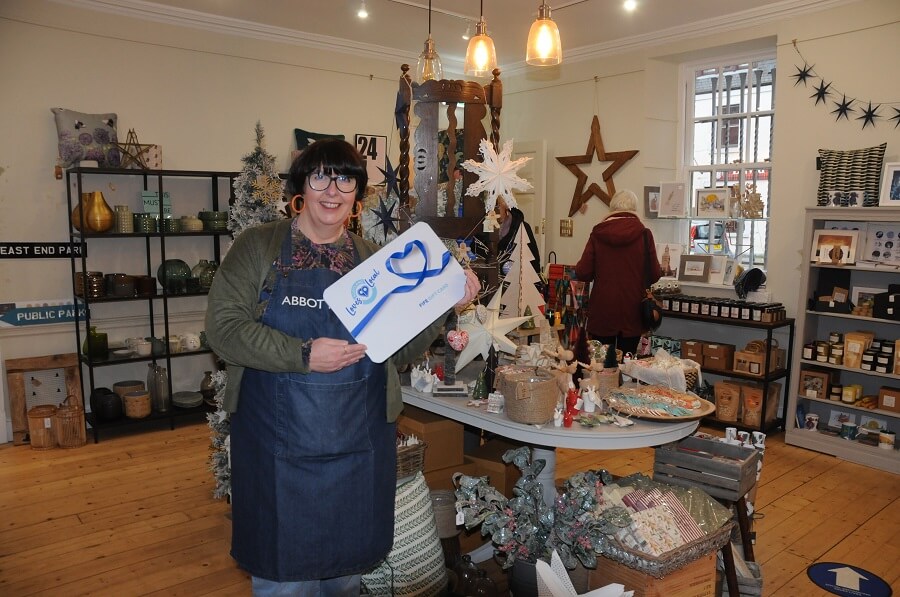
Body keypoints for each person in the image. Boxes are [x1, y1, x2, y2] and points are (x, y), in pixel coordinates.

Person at [205, 138, 480, 596]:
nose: (332, 190)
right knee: (285, 586)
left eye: (346, 179)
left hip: (355, 454)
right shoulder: (259, 249)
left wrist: (442, 304)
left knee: (345, 583)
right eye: (320, 177)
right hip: (277, 457)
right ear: (301, 186)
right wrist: (304, 355)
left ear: (357, 193)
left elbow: (399, 351)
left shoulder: (375, 261)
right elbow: (223, 328)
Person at [574, 189, 661, 356]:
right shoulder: (644, 234)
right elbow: (655, 274)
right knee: (627, 366)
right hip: (633, 311)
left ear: (612, 209)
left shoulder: (597, 233)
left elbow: (583, 272)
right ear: (634, 209)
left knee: (601, 365)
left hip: (602, 310)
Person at [496, 195, 541, 278]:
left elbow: (534, 261)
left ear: (506, 205)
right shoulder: (483, 228)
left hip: (517, 282)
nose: (493, 211)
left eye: (497, 206)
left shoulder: (522, 227)